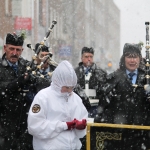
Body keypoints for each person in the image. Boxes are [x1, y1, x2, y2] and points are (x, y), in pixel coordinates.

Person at [94, 43, 150, 149]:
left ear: (139, 58)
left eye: (135, 57)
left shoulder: (147, 79)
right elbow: (104, 106)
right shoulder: (114, 79)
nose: (132, 61)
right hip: (120, 136)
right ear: (124, 58)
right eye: (129, 56)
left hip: (143, 136)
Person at [0, 32, 48, 150]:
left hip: (25, 127)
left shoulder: (27, 66)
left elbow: (44, 84)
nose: (14, 53)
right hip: (4, 126)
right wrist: (19, 81)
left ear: (22, 50)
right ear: (5, 48)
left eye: (18, 50)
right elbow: (3, 88)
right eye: (11, 49)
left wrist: (33, 80)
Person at [28, 60, 88, 150]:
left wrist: (81, 126)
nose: (69, 90)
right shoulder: (43, 97)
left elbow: (84, 119)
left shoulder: (75, 99)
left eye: (72, 87)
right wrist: (63, 126)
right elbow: (35, 126)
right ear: (58, 83)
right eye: (66, 87)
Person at [75, 46, 107, 117]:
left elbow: (104, 92)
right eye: (86, 57)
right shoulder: (75, 73)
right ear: (81, 58)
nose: (89, 59)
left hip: (95, 108)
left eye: (91, 57)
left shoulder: (101, 73)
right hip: (79, 106)